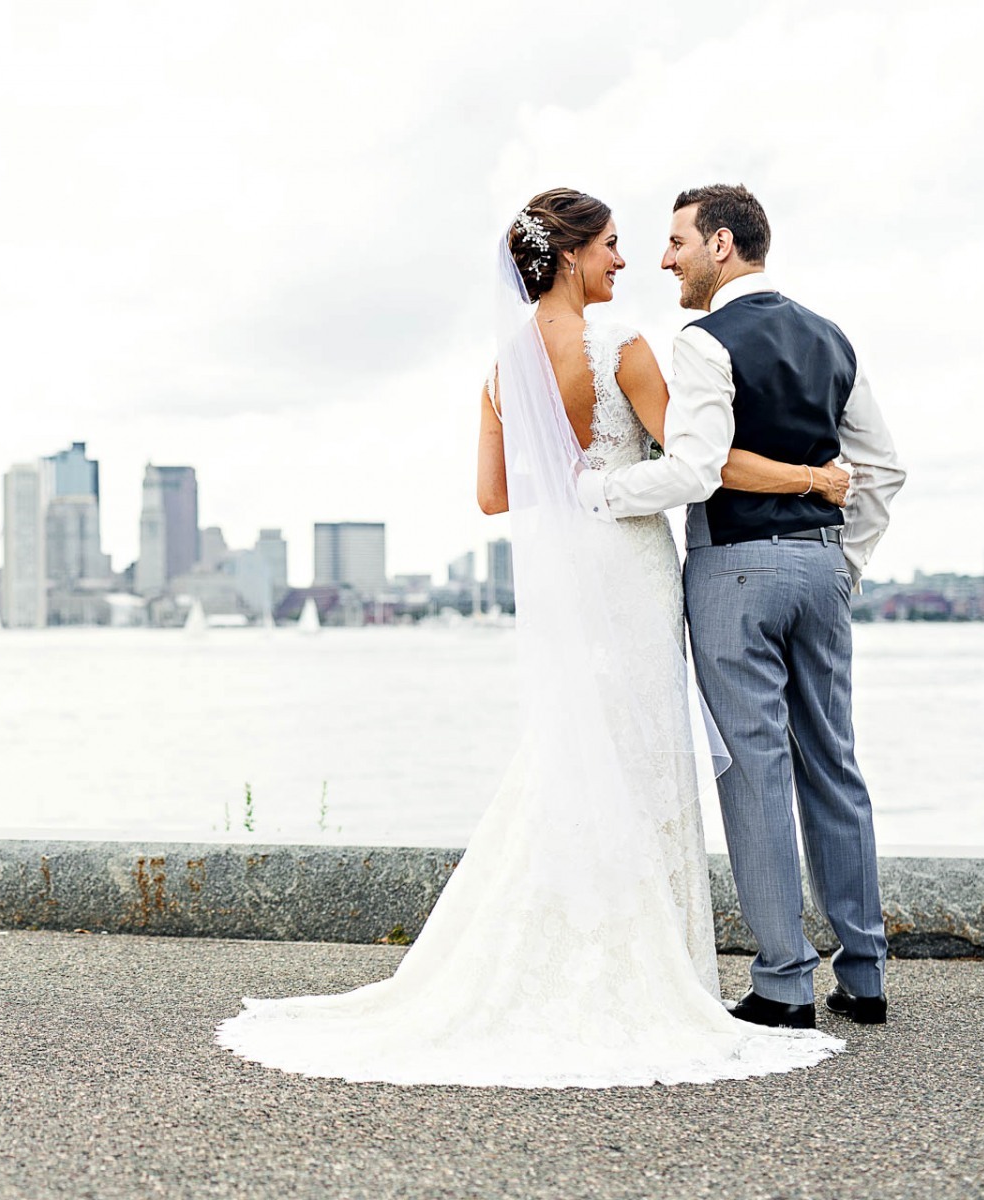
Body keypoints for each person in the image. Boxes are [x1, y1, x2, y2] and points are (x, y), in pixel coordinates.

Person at [213, 187, 845, 1087]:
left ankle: (565, 938)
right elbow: (695, 466)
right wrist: (810, 480)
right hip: (628, 566)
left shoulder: (501, 366)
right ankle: (653, 966)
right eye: (615, 247)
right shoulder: (622, 346)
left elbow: (494, 496)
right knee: (639, 751)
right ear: (574, 254)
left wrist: (570, 469)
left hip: (568, 575)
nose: (626, 262)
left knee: (576, 753)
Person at [575, 184, 904, 1028]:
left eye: (677, 240)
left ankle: (787, 985)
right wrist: (845, 565)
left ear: (722, 245)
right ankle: (863, 974)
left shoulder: (704, 340)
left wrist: (603, 492)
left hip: (734, 573)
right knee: (835, 761)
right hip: (823, 569)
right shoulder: (833, 337)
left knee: (755, 770)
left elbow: (697, 469)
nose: (664, 259)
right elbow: (883, 469)